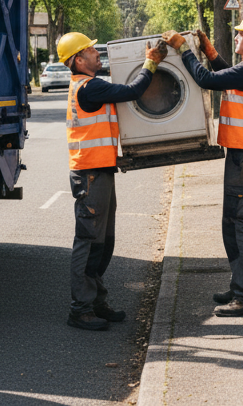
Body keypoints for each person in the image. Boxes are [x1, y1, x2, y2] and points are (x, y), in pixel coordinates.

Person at [162, 11, 243, 317]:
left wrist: (183, 49)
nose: (236, 37)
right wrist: (212, 53)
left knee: (237, 223)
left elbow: (207, 80)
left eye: (240, 34)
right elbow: (228, 76)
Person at [58, 31, 166, 331]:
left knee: (104, 243)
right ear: (79, 59)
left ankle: (96, 301)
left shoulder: (88, 85)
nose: (97, 53)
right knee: (89, 241)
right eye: (91, 50)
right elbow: (133, 91)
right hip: (90, 175)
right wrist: (150, 62)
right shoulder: (89, 88)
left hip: (99, 171)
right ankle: (80, 309)